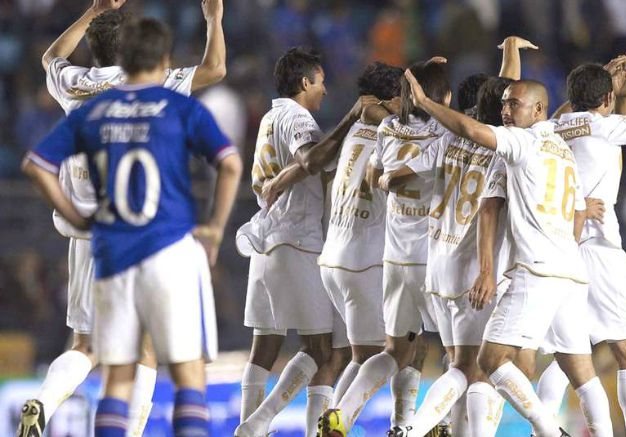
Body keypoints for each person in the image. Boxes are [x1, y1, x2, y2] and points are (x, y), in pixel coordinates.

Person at [22, 17, 242, 437]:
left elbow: (51, 59)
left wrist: (75, 216)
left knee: (88, 348)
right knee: (165, 361)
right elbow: (215, 72)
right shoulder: (164, 95)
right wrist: (214, 16)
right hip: (158, 240)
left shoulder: (82, 92)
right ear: (151, 56)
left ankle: (44, 402)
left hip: (98, 239)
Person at [400, 71, 617, 437]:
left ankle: (549, 431)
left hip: (530, 270)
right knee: (579, 371)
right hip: (569, 272)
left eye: (513, 103)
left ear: (537, 110)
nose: (505, 109)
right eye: (502, 102)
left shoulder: (519, 143)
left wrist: (423, 103)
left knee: (486, 361)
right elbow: (579, 212)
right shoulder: (563, 150)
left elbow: (471, 137)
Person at [534, 37, 626, 437]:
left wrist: (609, 89)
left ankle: (540, 431)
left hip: (558, 248)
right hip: (599, 249)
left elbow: (585, 115)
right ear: (603, 100)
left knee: (571, 354)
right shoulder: (604, 125)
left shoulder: (553, 125)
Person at [233, 46, 379, 437]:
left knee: (264, 346)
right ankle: (258, 424)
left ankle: (251, 427)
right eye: (321, 82)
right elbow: (310, 161)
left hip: (265, 239)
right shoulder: (298, 117)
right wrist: (350, 119)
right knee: (323, 351)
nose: (325, 91)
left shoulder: (269, 116)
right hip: (297, 239)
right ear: (304, 82)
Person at [318, 59, 450, 437]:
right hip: (425, 260)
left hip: (387, 259)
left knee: (396, 350)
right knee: (460, 357)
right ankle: (422, 426)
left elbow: (377, 178)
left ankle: (355, 419)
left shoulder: (383, 128)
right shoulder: (445, 134)